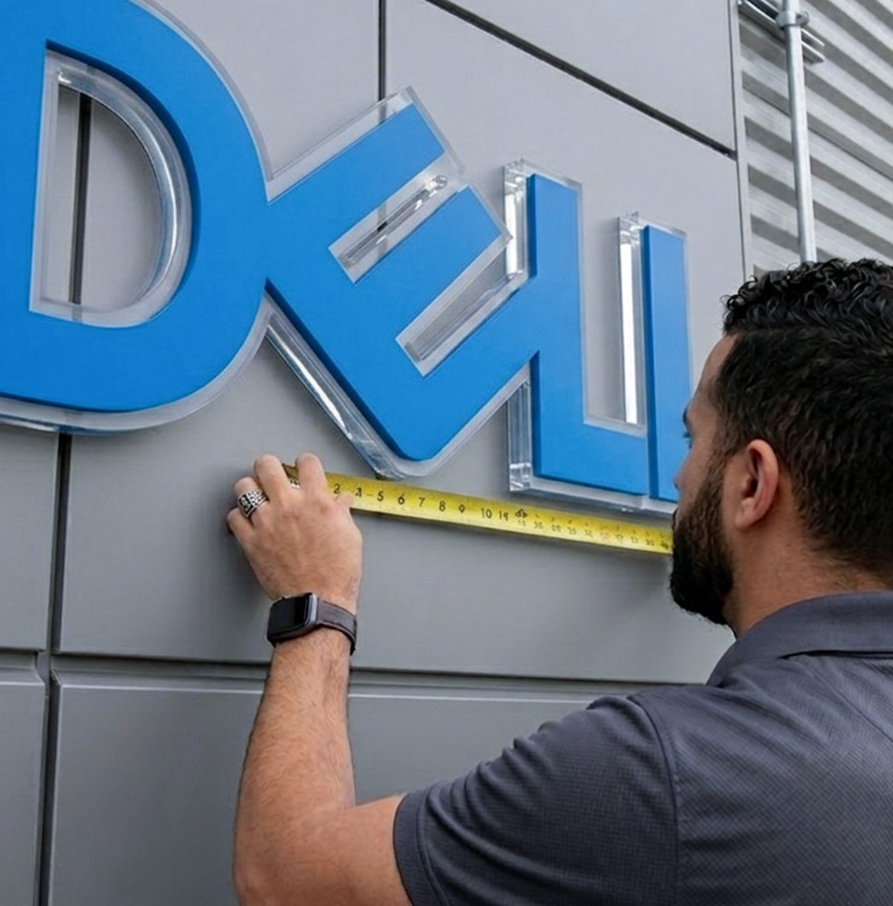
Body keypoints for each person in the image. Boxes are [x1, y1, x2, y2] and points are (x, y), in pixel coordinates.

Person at [226, 259, 893, 905]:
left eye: (694, 440)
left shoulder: (669, 774)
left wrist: (316, 604)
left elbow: (290, 879)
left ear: (751, 484)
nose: (678, 481)